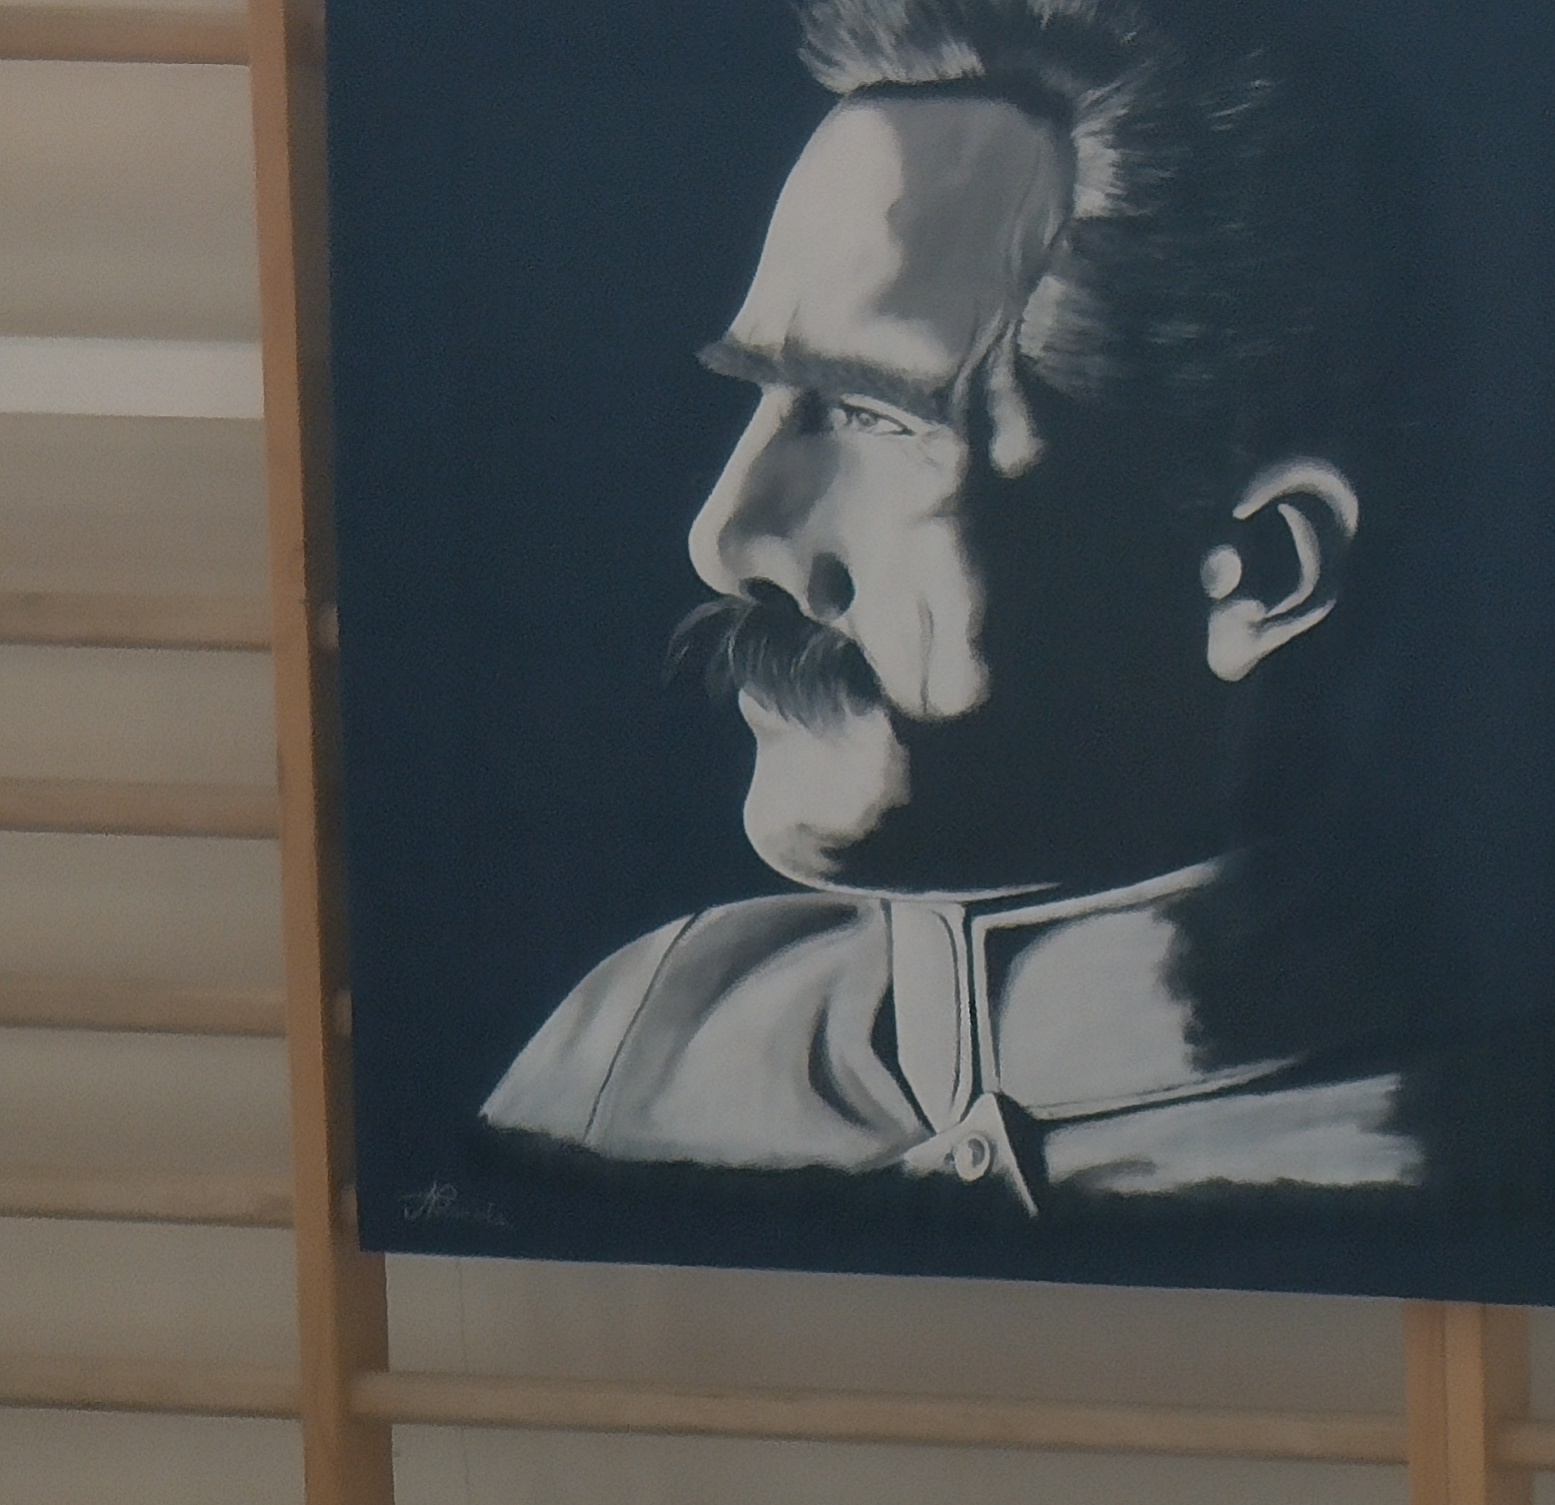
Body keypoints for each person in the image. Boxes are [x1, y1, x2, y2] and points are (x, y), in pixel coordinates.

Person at [483, 0, 1444, 1215]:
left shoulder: (1424, 1166)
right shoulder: (629, 1057)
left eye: (877, 414)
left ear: (1254, 572)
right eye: (766, 397)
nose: (726, 537)